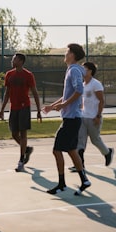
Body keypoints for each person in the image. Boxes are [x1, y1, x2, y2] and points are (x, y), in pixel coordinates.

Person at [41, 43, 90, 196]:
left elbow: (79, 91)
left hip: (72, 119)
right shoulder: (72, 70)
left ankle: (62, 184)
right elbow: (68, 94)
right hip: (73, 118)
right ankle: (84, 180)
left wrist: (63, 105)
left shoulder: (74, 70)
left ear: (73, 55)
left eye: (68, 51)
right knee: (71, 150)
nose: (65, 53)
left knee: (56, 151)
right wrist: (53, 105)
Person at [0, 53, 43, 173]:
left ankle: (21, 160)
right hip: (14, 108)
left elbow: (34, 92)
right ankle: (26, 149)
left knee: (23, 134)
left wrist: (38, 110)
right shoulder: (9, 74)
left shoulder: (28, 75)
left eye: (15, 59)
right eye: (12, 59)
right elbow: (7, 93)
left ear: (21, 61)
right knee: (14, 134)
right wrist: (2, 109)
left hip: (24, 107)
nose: (12, 61)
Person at [77, 61, 114, 169]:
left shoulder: (96, 84)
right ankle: (80, 164)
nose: (83, 71)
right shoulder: (82, 84)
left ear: (91, 71)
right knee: (80, 141)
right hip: (83, 117)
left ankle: (107, 153)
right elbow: (83, 100)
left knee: (95, 140)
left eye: (85, 69)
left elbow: (101, 101)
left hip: (93, 118)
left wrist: (98, 116)